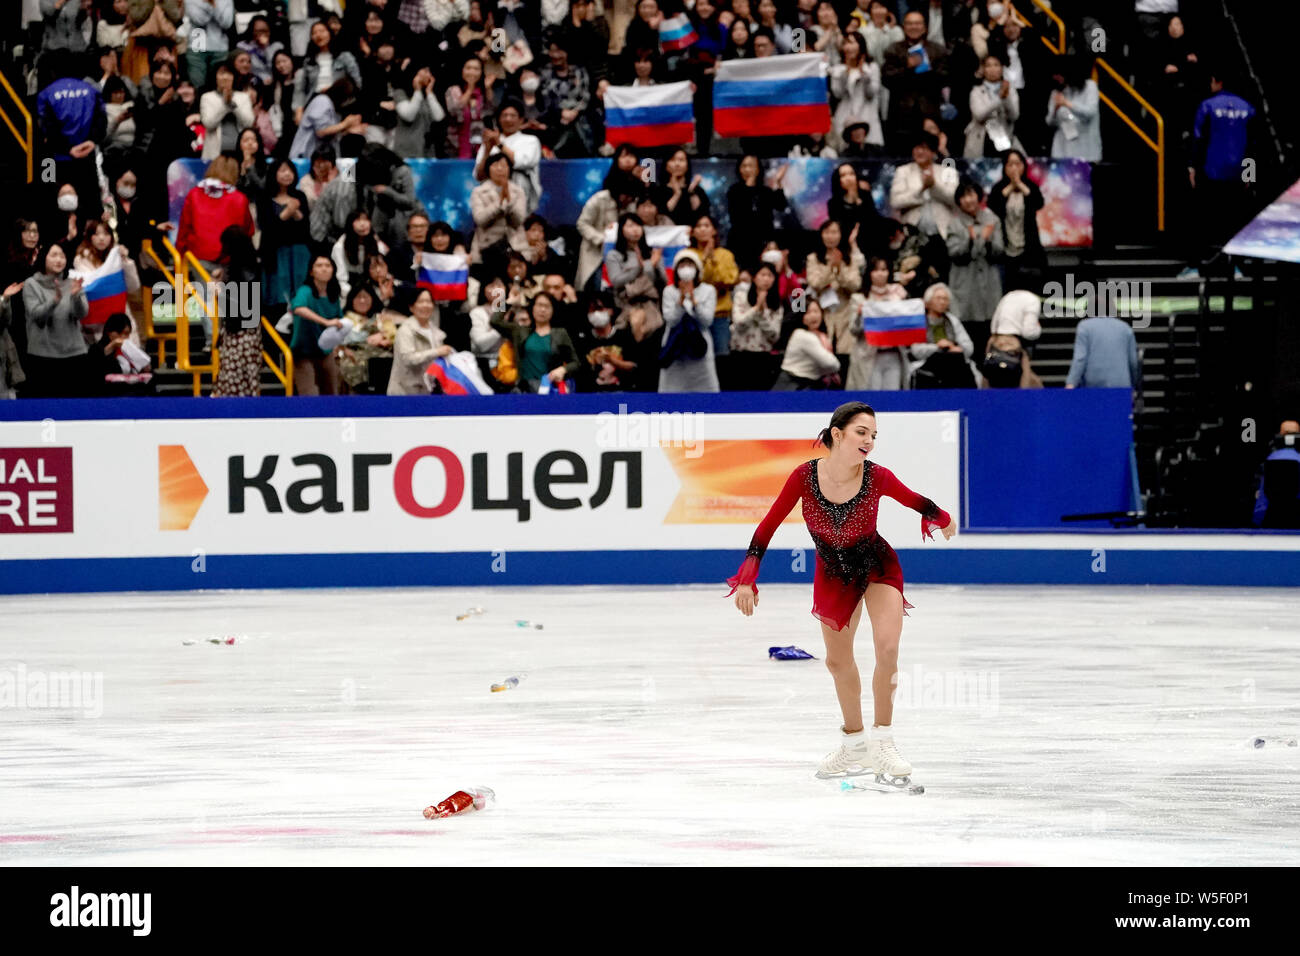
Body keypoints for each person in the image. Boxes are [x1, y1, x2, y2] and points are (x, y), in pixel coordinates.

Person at [729, 401, 956, 780]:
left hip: (877, 565)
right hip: (833, 573)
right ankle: (855, 745)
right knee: (838, 662)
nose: (869, 441)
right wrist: (747, 578)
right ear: (838, 434)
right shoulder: (803, 477)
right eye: (861, 433)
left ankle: (883, 741)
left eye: (873, 435)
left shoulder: (877, 476)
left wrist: (942, 518)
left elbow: (918, 501)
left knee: (887, 648)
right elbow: (767, 526)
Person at [1190, 69, 1256, 249]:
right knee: (1234, 219)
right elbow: (1253, 145)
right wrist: (1249, 175)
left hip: (1210, 171)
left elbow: (1198, 138)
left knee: (1206, 218)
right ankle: (1234, 266)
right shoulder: (1248, 108)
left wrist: (1192, 167)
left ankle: (1200, 263)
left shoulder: (1207, 105)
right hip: (1237, 173)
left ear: (1217, 82)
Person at [22, 242, 89, 398]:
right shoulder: (32, 284)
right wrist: (54, 301)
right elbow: (37, 316)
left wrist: (76, 297)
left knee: (73, 411)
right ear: (43, 258)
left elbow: (82, 314)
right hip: (43, 358)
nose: (59, 260)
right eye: (54, 255)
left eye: (62, 256)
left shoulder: (73, 283)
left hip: (74, 355)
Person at [945, 181, 1003, 345]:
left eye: (971, 194)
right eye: (963, 196)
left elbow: (999, 253)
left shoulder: (992, 220)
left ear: (979, 197)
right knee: (967, 334)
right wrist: (970, 240)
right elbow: (954, 254)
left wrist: (987, 240)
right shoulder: (954, 224)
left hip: (989, 286)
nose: (968, 200)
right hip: (965, 286)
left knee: (989, 332)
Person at [489, 291, 580, 394]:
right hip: (523, 390)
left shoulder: (560, 334)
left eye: (547, 306)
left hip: (549, 389)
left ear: (553, 310)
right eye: (539, 305)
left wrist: (563, 369)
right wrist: (508, 302)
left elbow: (575, 363)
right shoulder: (520, 331)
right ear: (532, 308)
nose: (542, 309)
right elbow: (494, 320)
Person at [806, 219, 865, 372]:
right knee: (822, 359)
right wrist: (830, 267)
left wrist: (839, 270)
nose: (830, 236)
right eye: (827, 232)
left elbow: (855, 285)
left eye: (834, 232)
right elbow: (815, 283)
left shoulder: (849, 258)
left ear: (840, 235)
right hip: (822, 314)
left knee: (844, 359)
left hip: (845, 314)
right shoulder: (813, 258)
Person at [209, 226, 263, 398]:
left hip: (239, 334)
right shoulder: (251, 266)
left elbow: (238, 306)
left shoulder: (240, 270)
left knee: (233, 379)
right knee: (248, 379)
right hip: (249, 333)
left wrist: (218, 291)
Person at [659, 249, 719, 393]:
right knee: (672, 390)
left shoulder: (708, 290)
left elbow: (706, 321)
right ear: (676, 270)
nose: (686, 269)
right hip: (675, 345)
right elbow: (671, 320)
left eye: (690, 265)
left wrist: (694, 301)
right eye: (682, 265)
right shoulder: (669, 291)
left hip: (699, 345)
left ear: (697, 269)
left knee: (705, 391)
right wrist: (680, 301)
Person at [259, 159, 313, 318]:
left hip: (298, 253)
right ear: (274, 174)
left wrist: (296, 213)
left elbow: (305, 228)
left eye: (290, 170)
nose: (287, 174)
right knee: (277, 298)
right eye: (282, 170)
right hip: (275, 253)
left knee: (300, 295)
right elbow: (267, 228)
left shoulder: (299, 196)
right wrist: (287, 212)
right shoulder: (265, 197)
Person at [882, 9, 948, 138]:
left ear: (924, 27)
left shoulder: (938, 50)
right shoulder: (893, 50)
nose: (914, 27)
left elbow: (944, 78)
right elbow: (887, 79)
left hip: (930, 112)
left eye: (917, 23)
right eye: (910, 23)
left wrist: (926, 69)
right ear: (904, 27)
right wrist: (907, 68)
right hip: (902, 115)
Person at [847, 256, 909, 391]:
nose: (880, 273)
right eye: (875, 270)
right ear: (869, 273)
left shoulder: (899, 294)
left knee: (892, 398)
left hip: (894, 353)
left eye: (884, 269)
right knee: (871, 399)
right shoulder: (859, 298)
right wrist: (859, 315)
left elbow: (907, 323)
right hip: (869, 355)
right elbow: (853, 330)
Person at [987, 149, 1045, 291]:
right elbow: (993, 206)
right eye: (1010, 165)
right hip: (1005, 246)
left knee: (1031, 287)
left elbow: (1038, 203)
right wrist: (1011, 186)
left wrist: (1020, 185)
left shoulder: (1030, 186)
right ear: (1004, 167)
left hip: (1028, 246)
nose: (1014, 168)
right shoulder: (998, 188)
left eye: (1017, 164)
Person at [576, 166, 641, 291]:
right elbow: (582, 224)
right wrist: (601, 239)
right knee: (595, 285)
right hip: (596, 251)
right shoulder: (599, 199)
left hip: (622, 251)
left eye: (631, 197)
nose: (628, 200)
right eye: (626, 196)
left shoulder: (632, 202)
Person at [605, 212, 668, 339]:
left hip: (652, 306)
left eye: (638, 225)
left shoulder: (652, 253)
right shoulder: (614, 255)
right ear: (621, 230)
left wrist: (655, 266)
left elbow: (662, 282)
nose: (635, 229)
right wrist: (640, 268)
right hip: (626, 305)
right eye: (630, 226)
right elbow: (616, 281)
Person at [290, 255, 346, 396]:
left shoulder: (334, 295)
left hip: (325, 352)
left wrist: (337, 345)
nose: (324, 269)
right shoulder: (305, 291)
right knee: (309, 394)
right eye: (319, 266)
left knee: (332, 392)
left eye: (327, 266)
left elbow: (339, 322)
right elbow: (298, 308)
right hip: (303, 352)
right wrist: (325, 322)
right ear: (311, 271)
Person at [725, 155, 790, 276]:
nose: (747, 169)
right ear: (739, 169)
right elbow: (737, 216)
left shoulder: (765, 191)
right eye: (744, 166)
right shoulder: (734, 191)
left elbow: (781, 205)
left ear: (758, 169)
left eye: (751, 166)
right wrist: (748, 187)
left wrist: (778, 182)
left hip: (762, 242)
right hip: (741, 242)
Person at [889, 130, 959, 239]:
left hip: (944, 232)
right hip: (911, 233)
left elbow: (955, 199)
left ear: (933, 152)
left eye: (925, 148)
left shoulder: (947, 171)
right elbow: (895, 202)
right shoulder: (903, 171)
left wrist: (934, 185)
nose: (920, 152)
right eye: (917, 148)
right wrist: (921, 189)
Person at [910, 282, 979, 388]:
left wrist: (955, 348)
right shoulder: (920, 321)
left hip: (953, 363)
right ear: (928, 302)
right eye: (938, 298)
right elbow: (916, 350)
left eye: (945, 299)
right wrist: (938, 347)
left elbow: (969, 347)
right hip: (928, 363)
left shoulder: (952, 320)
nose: (942, 302)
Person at [728, 261, 784, 391]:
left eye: (770, 275)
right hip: (741, 355)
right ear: (754, 277)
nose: (766, 279)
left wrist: (762, 313)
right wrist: (756, 308)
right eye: (763, 274)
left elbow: (774, 335)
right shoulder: (741, 297)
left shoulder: (776, 305)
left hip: (763, 357)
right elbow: (739, 323)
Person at [389, 287, 452, 395]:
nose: (425, 305)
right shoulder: (405, 330)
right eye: (420, 302)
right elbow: (408, 359)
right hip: (404, 393)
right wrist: (437, 352)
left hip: (428, 391)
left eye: (428, 302)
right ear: (411, 307)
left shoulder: (437, 332)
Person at [829, 32, 883, 154]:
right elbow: (838, 94)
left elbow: (872, 93)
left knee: (870, 153)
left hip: (867, 116)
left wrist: (864, 76)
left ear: (860, 45)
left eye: (852, 43)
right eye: (845, 43)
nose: (848, 47)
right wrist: (845, 74)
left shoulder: (872, 67)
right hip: (845, 117)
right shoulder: (838, 69)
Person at [469, 152, 528, 264]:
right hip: (486, 247)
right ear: (488, 169)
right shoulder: (479, 192)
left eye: (504, 165)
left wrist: (509, 203)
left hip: (514, 247)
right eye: (495, 165)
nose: (500, 169)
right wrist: (499, 204)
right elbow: (480, 220)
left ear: (509, 169)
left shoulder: (518, 191)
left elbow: (519, 221)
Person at [573, 292, 638, 392]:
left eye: (599, 308)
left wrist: (612, 360)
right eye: (592, 310)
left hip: (622, 393)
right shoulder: (583, 339)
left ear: (610, 311)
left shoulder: (625, 336)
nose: (595, 314)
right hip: (591, 395)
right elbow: (579, 369)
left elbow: (633, 366)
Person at [772, 299, 841, 390]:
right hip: (792, 384)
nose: (813, 316)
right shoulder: (802, 335)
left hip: (808, 384)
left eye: (816, 311)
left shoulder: (821, 336)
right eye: (808, 312)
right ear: (802, 316)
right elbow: (832, 364)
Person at [1047, 55, 1101, 162]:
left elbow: (1090, 113)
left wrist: (1067, 104)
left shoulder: (1090, 87)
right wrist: (1055, 110)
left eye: (1060, 74)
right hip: (1061, 150)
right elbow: (1050, 122)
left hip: (1086, 150)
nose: (1057, 78)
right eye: (1055, 75)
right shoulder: (1057, 92)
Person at [965, 53, 1021, 158]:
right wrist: (999, 98)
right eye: (988, 65)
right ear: (983, 69)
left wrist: (1006, 98)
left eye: (996, 65)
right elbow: (979, 115)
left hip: (1004, 139)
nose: (992, 69)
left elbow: (1014, 116)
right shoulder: (976, 91)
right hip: (981, 140)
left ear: (1001, 68)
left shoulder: (1010, 90)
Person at [1064, 314, 1140, 390]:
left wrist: (1071, 384)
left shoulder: (1085, 327)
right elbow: (1133, 362)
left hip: (1094, 387)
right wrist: (1133, 385)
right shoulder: (1126, 328)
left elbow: (1080, 359)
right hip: (1122, 386)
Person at [828, 162, 885, 260]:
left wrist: (858, 200)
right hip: (846, 246)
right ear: (838, 180)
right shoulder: (833, 203)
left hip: (870, 240)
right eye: (843, 175)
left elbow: (873, 219)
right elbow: (842, 227)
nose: (849, 178)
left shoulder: (865, 196)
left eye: (851, 174)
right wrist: (851, 198)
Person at [200, 63, 255, 161]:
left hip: (240, 152)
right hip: (215, 153)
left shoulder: (243, 97)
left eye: (229, 74)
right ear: (215, 77)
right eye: (221, 74)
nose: (225, 77)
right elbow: (209, 123)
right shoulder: (207, 97)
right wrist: (225, 104)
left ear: (233, 77)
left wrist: (232, 104)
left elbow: (249, 123)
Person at [445, 55, 495, 159]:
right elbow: (454, 110)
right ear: (462, 70)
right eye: (468, 68)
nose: (472, 72)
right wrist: (470, 89)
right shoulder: (453, 90)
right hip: (456, 145)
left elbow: (490, 111)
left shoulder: (483, 91)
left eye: (476, 69)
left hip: (480, 144)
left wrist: (488, 89)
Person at [1252, 420, 1300, 529]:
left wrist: (1257, 520)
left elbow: (1261, 500)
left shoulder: (1269, 459)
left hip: (1271, 520)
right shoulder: (1269, 460)